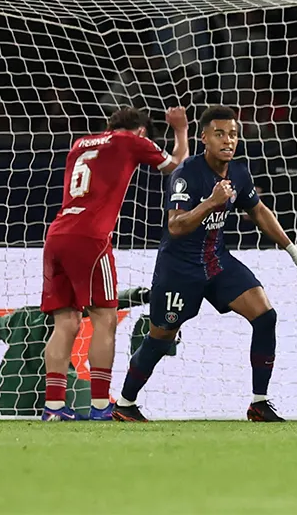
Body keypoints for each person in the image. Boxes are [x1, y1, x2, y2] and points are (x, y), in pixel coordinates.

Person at [113, 106, 297, 422]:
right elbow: (176, 226)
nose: (228, 140)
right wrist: (211, 203)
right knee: (160, 337)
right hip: (179, 269)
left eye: (233, 134)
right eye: (220, 134)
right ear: (204, 138)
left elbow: (259, 211)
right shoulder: (186, 174)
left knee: (265, 316)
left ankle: (259, 403)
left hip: (216, 261)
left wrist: (294, 253)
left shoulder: (239, 173)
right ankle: (125, 403)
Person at [39, 106, 189, 421]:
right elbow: (178, 166)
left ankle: (53, 408)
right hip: (91, 238)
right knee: (105, 319)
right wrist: (180, 129)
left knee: (65, 322)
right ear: (142, 132)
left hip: (57, 234)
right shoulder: (130, 140)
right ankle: (99, 406)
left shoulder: (80, 143)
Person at [0, 287, 162, 418]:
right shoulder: (64, 314)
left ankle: (57, 410)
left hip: (7, 391)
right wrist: (140, 295)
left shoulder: (20, 318)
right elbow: (101, 304)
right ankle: (97, 408)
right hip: (65, 388)